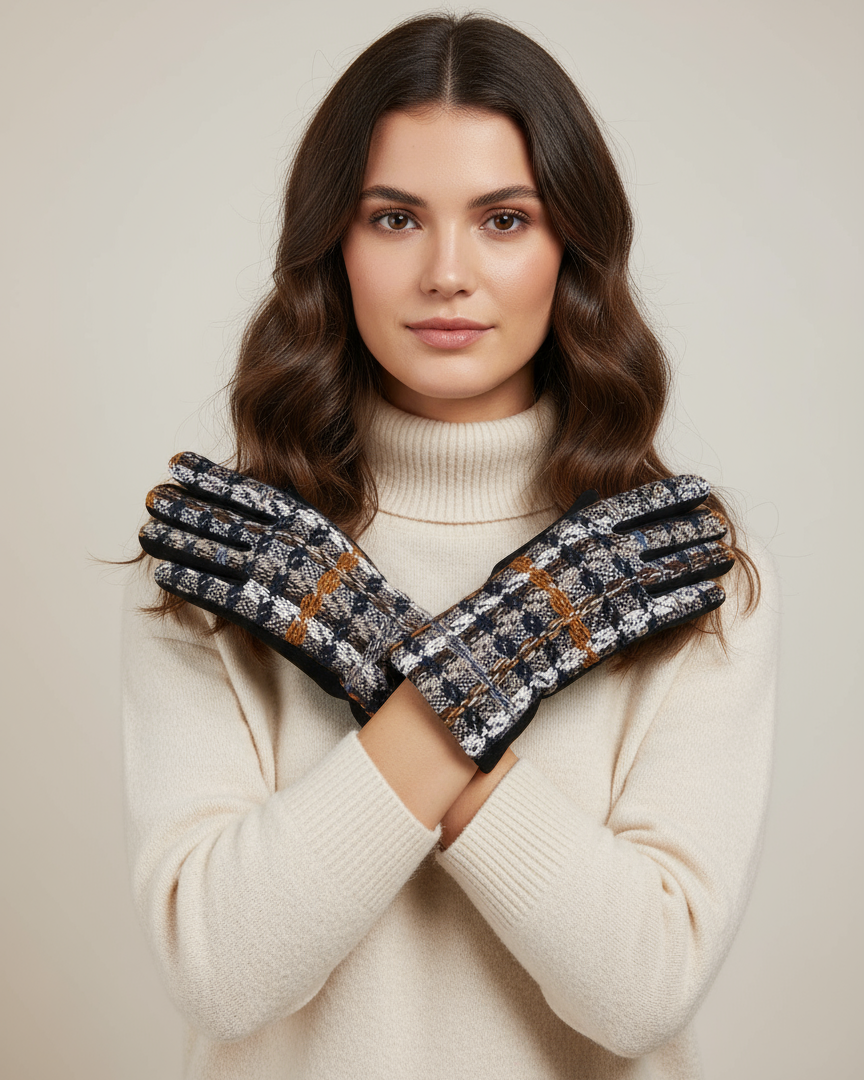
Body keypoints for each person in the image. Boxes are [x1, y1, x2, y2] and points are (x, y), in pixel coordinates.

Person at [122, 12, 779, 1079]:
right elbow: (221, 971)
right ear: (332, 243)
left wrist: (403, 665)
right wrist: (489, 666)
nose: (447, 272)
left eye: (504, 219)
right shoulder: (231, 561)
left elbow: (644, 991)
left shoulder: (674, 568)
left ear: (572, 244)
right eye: (393, 219)